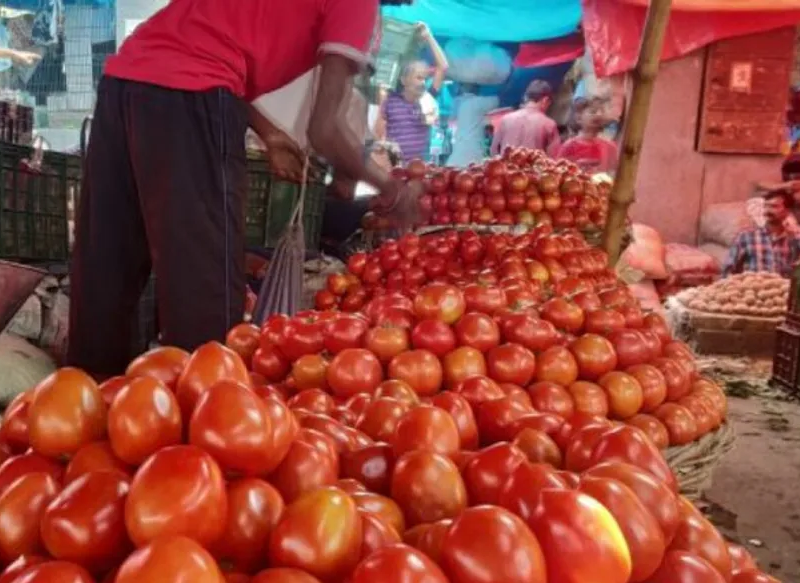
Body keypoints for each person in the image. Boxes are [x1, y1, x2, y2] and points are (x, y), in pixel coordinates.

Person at [68, 0, 421, 378]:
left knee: (106, 263)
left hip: (124, 81)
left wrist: (269, 134)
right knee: (203, 283)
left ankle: (80, 404)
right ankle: (206, 413)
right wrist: (393, 189)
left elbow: (205, 44)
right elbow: (324, 130)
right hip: (190, 97)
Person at [375, 28, 449, 163]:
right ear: (403, 80)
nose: (423, 82)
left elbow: (443, 67)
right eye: (418, 78)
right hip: (394, 166)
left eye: (425, 79)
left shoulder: (428, 98)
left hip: (419, 167)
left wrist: (429, 37)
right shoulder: (390, 99)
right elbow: (378, 133)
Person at [722, 189, 800, 277]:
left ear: (787, 211)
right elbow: (729, 269)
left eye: (774, 206)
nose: (767, 211)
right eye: (766, 206)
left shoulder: (794, 238)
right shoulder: (747, 236)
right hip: (754, 290)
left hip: (783, 290)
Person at [491, 79, 561, 157]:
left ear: (526, 98)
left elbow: (494, 151)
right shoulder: (549, 124)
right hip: (533, 168)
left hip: (506, 168)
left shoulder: (506, 119)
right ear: (545, 100)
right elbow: (554, 159)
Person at [556, 98, 618, 174]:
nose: (598, 114)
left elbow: (614, 174)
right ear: (579, 118)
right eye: (593, 111)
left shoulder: (610, 147)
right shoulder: (569, 146)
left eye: (601, 111)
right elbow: (558, 172)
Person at [445, 83, 499, 167]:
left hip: (455, 159)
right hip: (472, 159)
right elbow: (500, 100)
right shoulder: (478, 102)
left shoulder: (457, 102)